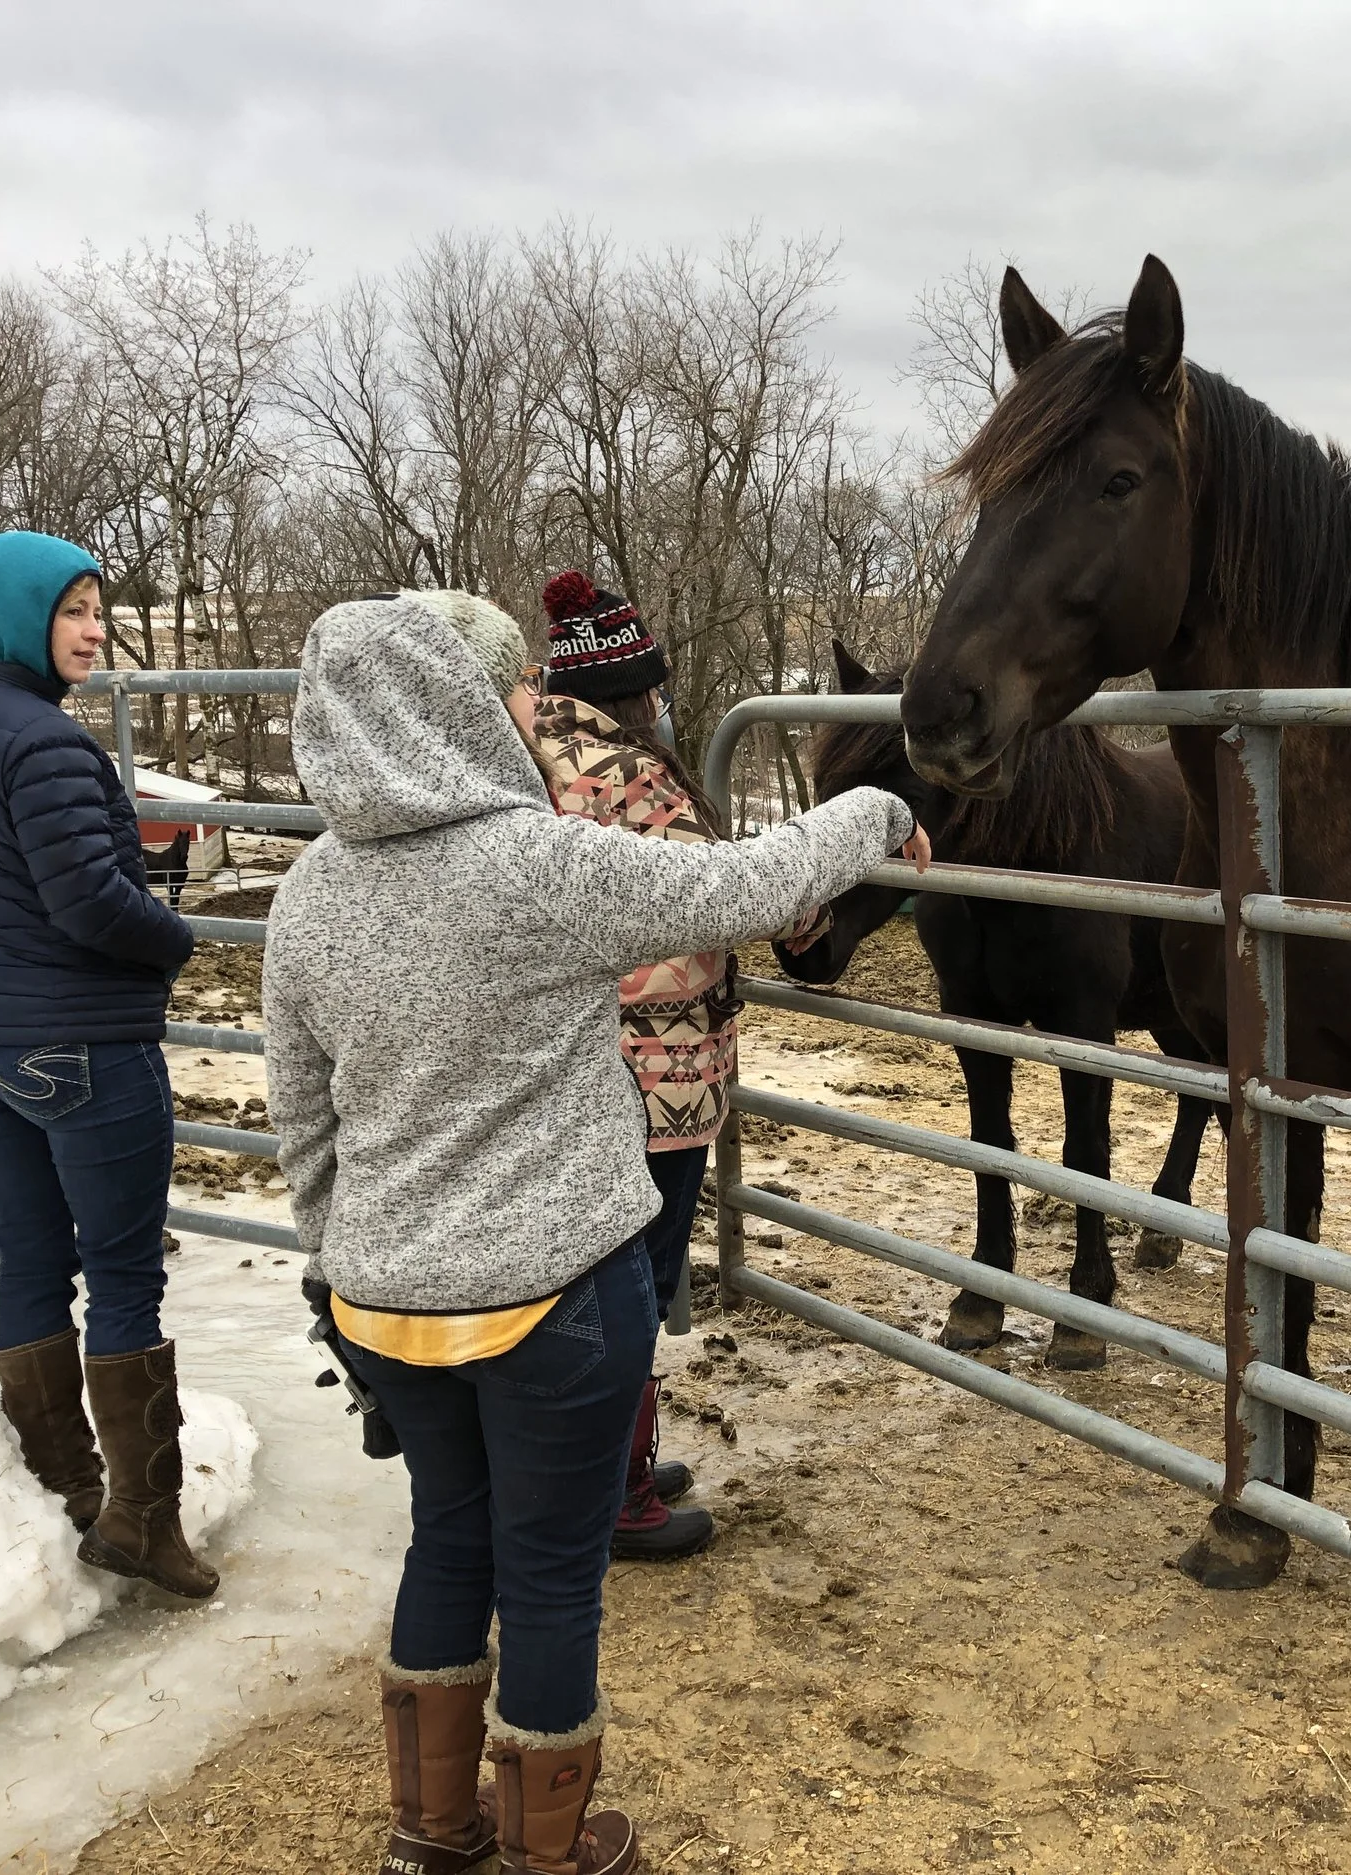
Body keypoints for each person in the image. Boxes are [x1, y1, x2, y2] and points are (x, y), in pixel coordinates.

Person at [263, 590, 925, 1875]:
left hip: (389, 1303)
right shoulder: (538, 859)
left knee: (451, 1536)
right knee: (555, 1573)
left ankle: (431, 1829)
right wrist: (880, 807)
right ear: (454, 701)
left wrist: (338, 1268)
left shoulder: (306, 896)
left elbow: (305, 1128)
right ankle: (548, 1851)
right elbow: (748, 885)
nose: (520, 711)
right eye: (498, 690)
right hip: (554, 1294)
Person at [0, 529, 216, 1601]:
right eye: (71, 609)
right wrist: (174, 940)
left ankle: (64, 1484)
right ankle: (141, 1523)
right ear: (17, 618)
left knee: (27, 1256)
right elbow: (89, 903)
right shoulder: (51, 745)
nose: (93, 626)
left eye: (95, 606)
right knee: (121, 1271)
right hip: (77, 1040)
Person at [529, 570, 810, 1562]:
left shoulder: (541, 746)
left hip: (590, 1049)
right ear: (636, 686)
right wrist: (811, 894)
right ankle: (616, 1497)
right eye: (655, 684)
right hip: (657, 1062)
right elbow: (718, 893)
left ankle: (616, 1467)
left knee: (610, 1267)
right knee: (635, 1276)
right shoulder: (632, 778)